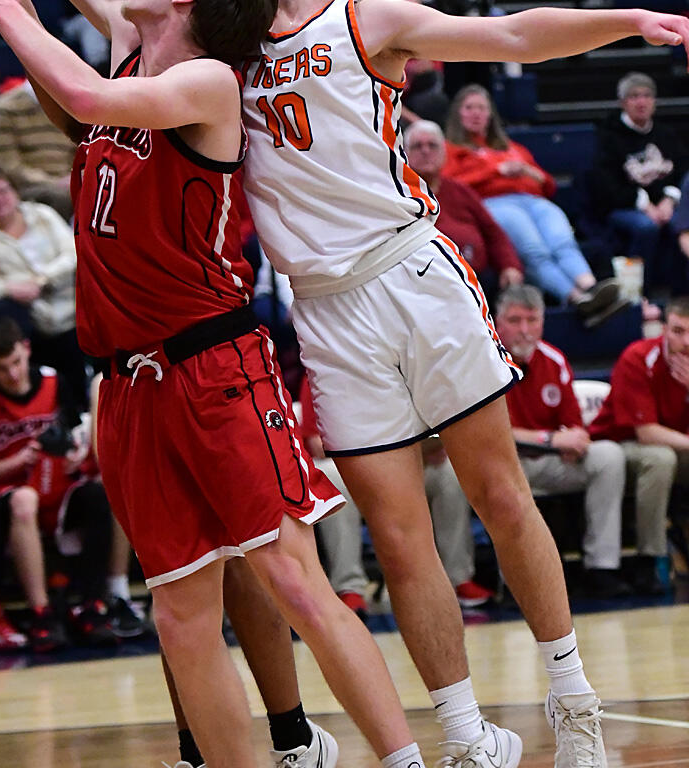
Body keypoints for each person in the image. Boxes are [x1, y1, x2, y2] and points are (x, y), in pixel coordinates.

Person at [0, 2, 431, 768]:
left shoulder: (209, 82)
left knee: (295, 583)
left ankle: (400, 761)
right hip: (128, 384)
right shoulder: (130, 47)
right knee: (180, 618)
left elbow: (82, 96)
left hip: (214, 368)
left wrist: (0, 13)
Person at [239, 3, 689, 767]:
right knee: (399, 539)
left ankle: (574, 701)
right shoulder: (222, 38)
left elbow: (512, 35)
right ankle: (466, 738)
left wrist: (628, 19)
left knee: (501, 495)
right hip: (323, 309)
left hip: (410, 274)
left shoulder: (363, 17)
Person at [0, 316, 117, 651]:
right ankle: (41, 612)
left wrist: (75, 454)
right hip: (6, 493)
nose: (13, 374)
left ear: (27, 348)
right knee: (24, 500)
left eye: (16, 362)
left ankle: (92, 604)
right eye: (2, 368)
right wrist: (23, 458)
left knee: (99, 494)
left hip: (55, 485)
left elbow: (75, 437)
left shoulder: (54, 381)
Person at [494, 284, 631, 599]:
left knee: (608, 457)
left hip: (550, 462)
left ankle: (602, 567)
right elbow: (496, 435)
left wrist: (575, 440)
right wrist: (552, 438)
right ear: (498, 323)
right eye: (515, 321)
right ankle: (515, 582)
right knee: (500, 472)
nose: (524, 330)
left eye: (532, 320)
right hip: (507, 464)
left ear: (543, 323)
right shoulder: (486, 361)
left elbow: (573, 424)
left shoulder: (554, 360)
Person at [443, 83, 621, 324]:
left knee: (562, 242)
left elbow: (548, 185)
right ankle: (576, 298)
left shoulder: (512, 148)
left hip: (534, 201)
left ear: (490, 114)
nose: (476, 113)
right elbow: (451, 184)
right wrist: (495, 172)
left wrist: (528, 172)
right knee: (536, 250)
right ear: (458, 113)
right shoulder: (450, 150)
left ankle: (591, 288)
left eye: (481, 108)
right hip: (494, 202)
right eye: (469, 108)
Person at [588, 295, 689, 595]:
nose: (686, 341)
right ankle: (650, 560)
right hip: (617, 446)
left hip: (674, 446)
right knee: (660, 458)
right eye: (678, 331)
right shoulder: (637, 357)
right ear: (663, 329)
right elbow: (646, 433)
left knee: (664, 456)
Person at [0, 165, 86, 408]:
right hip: (28, 319)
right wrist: (10, 288)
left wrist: (42, 278)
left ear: (15, 192)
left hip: (68, 306)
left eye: (3, 191)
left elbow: (72, 252)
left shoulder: (42, 215)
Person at [405, 118, 523, 308]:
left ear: (444, 154)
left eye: (432, 145)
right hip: (426, 285)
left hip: (476, 279)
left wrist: (509, 266)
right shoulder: (399, 196)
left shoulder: (460, 190)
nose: (426, 151)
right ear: (405, 154)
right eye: (418, 146)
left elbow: (493, 233)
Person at [592, 72, 688, 296]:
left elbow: (682, 170)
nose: (641, 102)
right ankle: (637, 295)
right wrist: (645, 205)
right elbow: (605, 186)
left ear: (655, 101)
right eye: (634, 96)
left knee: (680, 224)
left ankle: (681, 294)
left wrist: (669, 200)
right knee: (646, 227)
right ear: (623, 102)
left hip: (665, 205)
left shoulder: (666, 134)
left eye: (646, 95)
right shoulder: (608, 136)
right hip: (622, 206)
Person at [298, 371, 370, 619]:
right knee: (334, 478)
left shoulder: (395, 365)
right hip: (348, 463)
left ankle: (456, 578)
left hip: (390, 461)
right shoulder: (317, 374)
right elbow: (317, 444)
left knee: (447, 471)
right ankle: (349, 586)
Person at [421, 437, 494, 608]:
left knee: (450, 472)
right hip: (375, 466)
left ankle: (459, 578)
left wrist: (443, 446)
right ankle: (355, 589)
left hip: (422, 461)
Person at [0, 78, 77, 221]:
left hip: (68, 181)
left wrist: (75, 177)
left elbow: (81, 153)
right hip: (27, 187)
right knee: (60, 197)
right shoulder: (7, 107)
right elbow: (8, 165)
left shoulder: (71, 103)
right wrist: (53, 182)